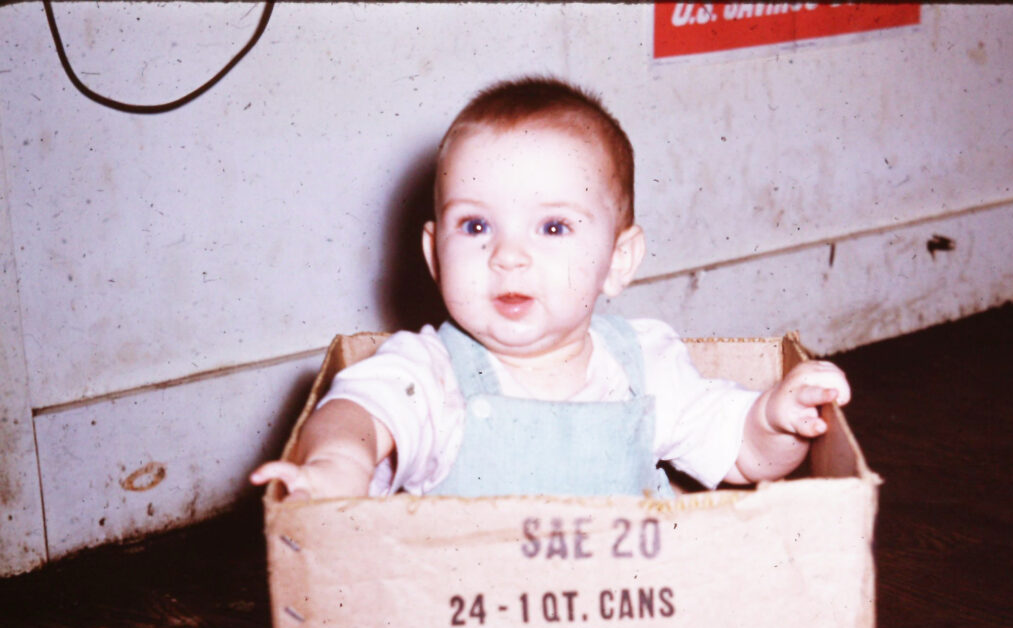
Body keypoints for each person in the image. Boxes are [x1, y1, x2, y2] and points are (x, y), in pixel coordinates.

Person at [251, 77, 850, 500]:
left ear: (617, 260)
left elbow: (744, 454)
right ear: (435, 256)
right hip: (477, 625)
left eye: (553, 227)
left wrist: (775, 420)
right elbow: (355, 411)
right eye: (476, 226)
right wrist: (337, 464)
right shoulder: (429, 372)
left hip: (625, 615)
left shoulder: (643, 367)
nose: (508, 255)